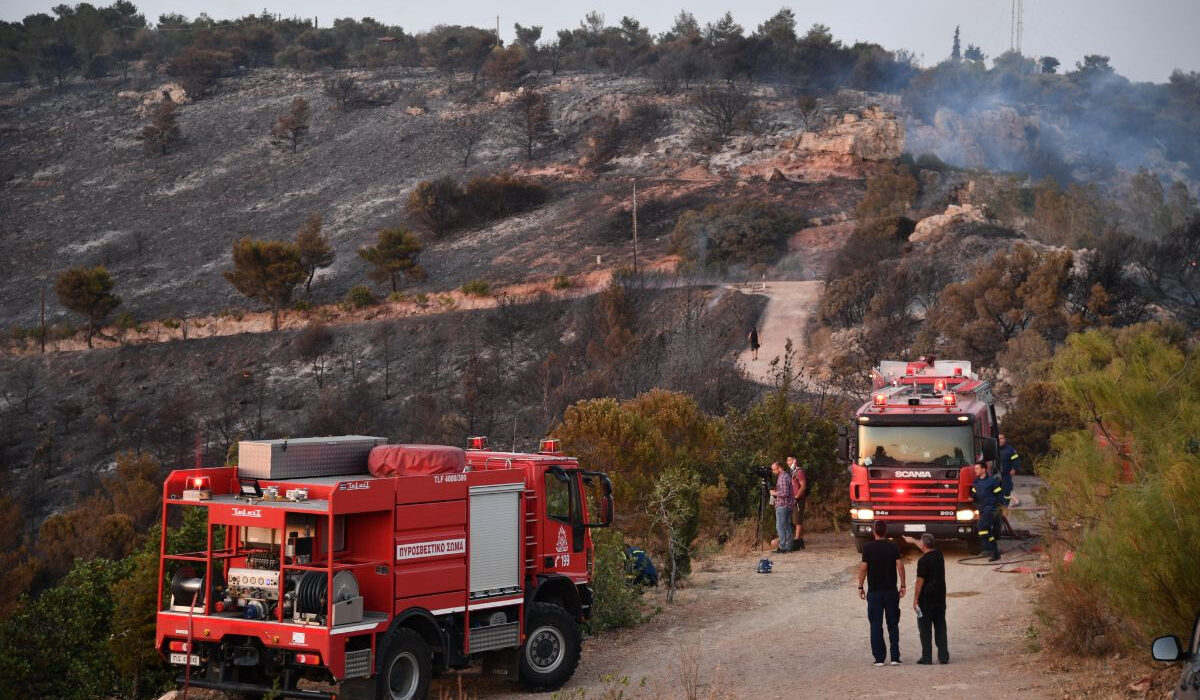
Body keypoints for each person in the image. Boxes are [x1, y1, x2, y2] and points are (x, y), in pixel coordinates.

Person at [857, 520, 905, 666]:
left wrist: (860, 586)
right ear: (885, 531)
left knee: (875, 624)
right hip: (891, 591)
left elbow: (864, 568)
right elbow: (900, 565)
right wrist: (902, 585)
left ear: (874, 532)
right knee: (893, 624)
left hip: (875, 592)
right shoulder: (893, 546)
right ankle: (895, 657)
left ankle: (879, 658)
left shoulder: (868, 548)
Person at [912, 533, 949, 664]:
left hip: (926, 599)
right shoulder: (939, 555)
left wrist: (915, 599)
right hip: (940, 598)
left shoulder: (923, 561)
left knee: (925, 630)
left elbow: (919, 581)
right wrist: (912, 541)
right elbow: (923, 545)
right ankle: (943, 656)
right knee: (940, 627)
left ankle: (927, 657)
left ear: (924, 544)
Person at [972, 462, 1004, 562]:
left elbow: (999, 494)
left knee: (981, 527)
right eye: (975, 468)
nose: (975, 470)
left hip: (990, 508)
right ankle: (995, 553)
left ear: (983, 469)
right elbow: (974, 495)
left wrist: (1000, 508)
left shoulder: (992, 481)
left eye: (977, 468)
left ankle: (989, 550)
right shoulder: (976, 482)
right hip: (981, 509)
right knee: (987, 531)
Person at [768, 461, 794, 553]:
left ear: (779, 468)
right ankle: (789, 546)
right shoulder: (785, 476)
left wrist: (773, 493)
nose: (773, 471)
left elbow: (785, 493)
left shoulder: (782, 477)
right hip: (788, 505)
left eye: (774, 469)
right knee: (786, 525)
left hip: (783, 505)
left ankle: (782, 547)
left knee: (780, 526)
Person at [787, 455, 807, 550]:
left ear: (795, 460)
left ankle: (797, 541)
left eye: (789, 460)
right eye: (787, 460)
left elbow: (803, 486)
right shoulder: (793, 472)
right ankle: (800, 541)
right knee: (795, 519)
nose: (788, 462)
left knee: (798, 520)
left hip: (798, 499)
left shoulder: (799, 472)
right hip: (795, 499)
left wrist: (797, 496)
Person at [997, 434, 1021, 506]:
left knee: (1006, 490)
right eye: (998, 439)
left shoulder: (1010, 450)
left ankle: (1005, 505)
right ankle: (999, 506)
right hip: (996, 474)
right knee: (997, 490)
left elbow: (1016, 460)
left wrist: (1014, 469)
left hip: (1006, 474)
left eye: (1001, 438)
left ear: (1004, 439)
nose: (999, 440)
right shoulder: (995, 449)